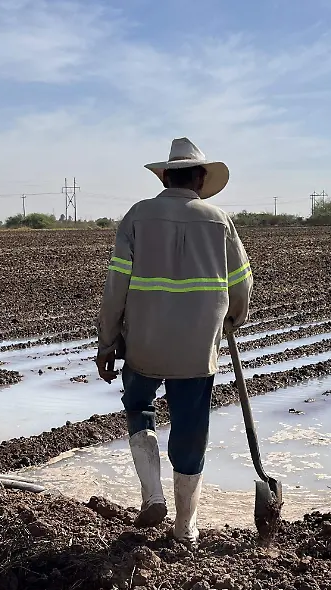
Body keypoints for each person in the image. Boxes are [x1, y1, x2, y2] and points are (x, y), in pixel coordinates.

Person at [95, 137, 253, 543]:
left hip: (143, 343)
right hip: (197, 349)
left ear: (165, 177)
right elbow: (242, 283)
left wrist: (107, 341)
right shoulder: (219, 221)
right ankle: (186, 527)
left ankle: (152, 495)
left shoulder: (137, 216)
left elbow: (116, 286)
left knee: (138, 407)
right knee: (190, 428)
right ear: (200, 179)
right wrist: (232, 319)